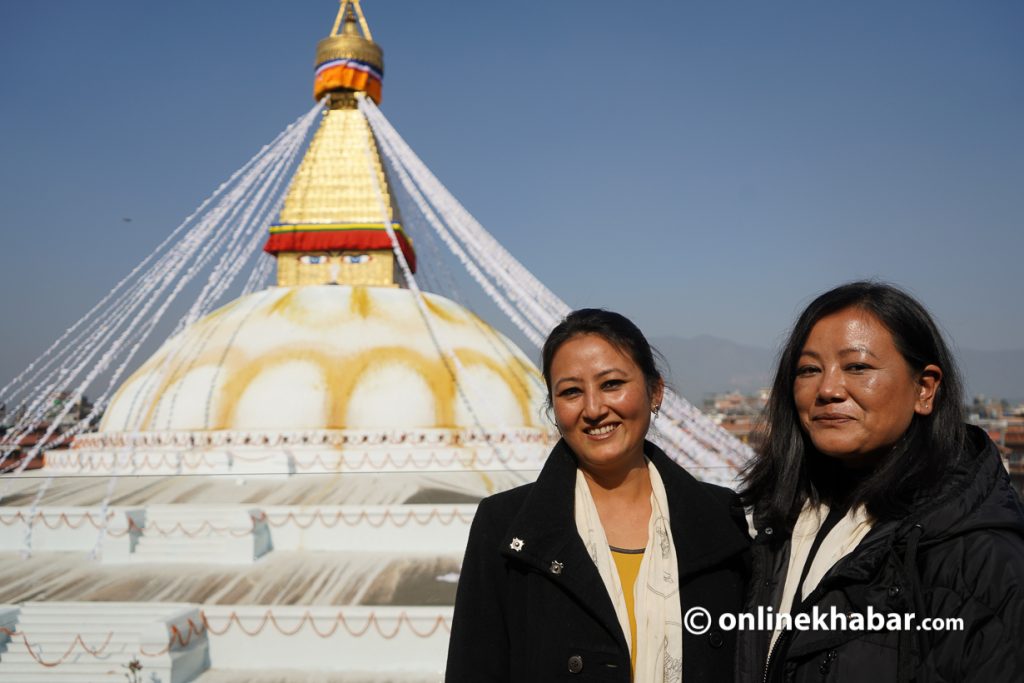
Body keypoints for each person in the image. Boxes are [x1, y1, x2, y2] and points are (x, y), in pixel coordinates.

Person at [735, 281, 1024, 683]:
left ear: (924, 389)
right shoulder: (774, 526)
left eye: (857, 367)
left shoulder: (979, 557)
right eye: (808, 370)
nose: (828, 390)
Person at [446, 309, 750, 682]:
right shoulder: (504, 527)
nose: (593, 409)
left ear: (655, 391)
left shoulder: (720, 519)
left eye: (611, 384)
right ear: (553, 408)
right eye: (571, 391)